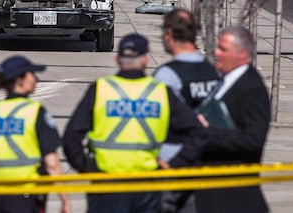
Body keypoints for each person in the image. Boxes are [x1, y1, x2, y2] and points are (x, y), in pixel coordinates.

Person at [63, 33, 207, 213]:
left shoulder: (100, 89)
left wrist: (86, 167)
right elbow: (198, 132)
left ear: (117, 58)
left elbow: (71, 137)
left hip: (106, 185)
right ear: (146, 60)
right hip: (146, 186)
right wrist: (175, 164)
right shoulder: (160, 92)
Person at [0, 55, 71, 213]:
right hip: (25, 196)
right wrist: (65, 200)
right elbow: (52, 163)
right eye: (31, 74)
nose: (36, 79)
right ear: (20, 79)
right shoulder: (34, 112)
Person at [194, 26, 270, 213]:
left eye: (223, 49)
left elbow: (253, 139)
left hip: (234, 198)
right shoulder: (225, 80)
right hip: (212, 192)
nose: (216, 53)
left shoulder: (252, 87)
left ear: (242, 54)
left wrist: (206, 133)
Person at [153, 8, 220, 213]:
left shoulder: (167, 75)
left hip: (171, 162)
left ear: (170, 35)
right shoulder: (212, 73)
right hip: (204, 162)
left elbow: (155, 121)